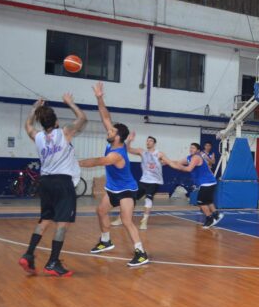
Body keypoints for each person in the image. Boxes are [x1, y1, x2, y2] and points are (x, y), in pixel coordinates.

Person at [78, 82, 149, 267]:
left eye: (111, 131)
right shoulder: (114, 142)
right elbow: (105, 116)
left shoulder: (116, 155)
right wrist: (99, 97)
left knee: (126, 221)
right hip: (112, 189)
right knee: (100, 211)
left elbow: (97, 161)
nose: (108, 131)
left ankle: (141, 253)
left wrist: (74, 163)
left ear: (118, 137)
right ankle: (106, 240)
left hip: (126, 191)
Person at [19, 94, 86, 277]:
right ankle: (53, 262)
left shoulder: (38, 137)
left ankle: (29, 254)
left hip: (45, 182)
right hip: (62, 182)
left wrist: (34, 108)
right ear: (56, 122)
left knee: (45, 220)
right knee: (62, 224)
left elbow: (28, 126)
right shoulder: (64, 132)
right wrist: (70, 102)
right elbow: (82, 118)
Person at [111, 132, 165, 230]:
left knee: (148, 199)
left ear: (154, 143)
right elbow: (127, 149)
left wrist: (166, 163)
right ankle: (120, 219)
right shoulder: (142, 152)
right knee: (130, 199)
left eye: (151, 141)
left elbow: (167, 161)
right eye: (147, 141)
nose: (148, 142)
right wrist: (129, 140)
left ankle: (144, 221)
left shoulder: (159, 153)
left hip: (155, 182)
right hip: (143, 181)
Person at [163, 143, 224, 228]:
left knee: (200, 202)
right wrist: (167, 162)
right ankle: (216, 214)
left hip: (207, 182)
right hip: (208, 182)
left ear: (198, 151)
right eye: (190, 148)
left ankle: (210, 219)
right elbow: (178, 162)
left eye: (193, 148)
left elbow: (188, 169)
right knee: (207, 201)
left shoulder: (196, 157)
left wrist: (178, 167)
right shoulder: (189, 157)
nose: (191, 149)